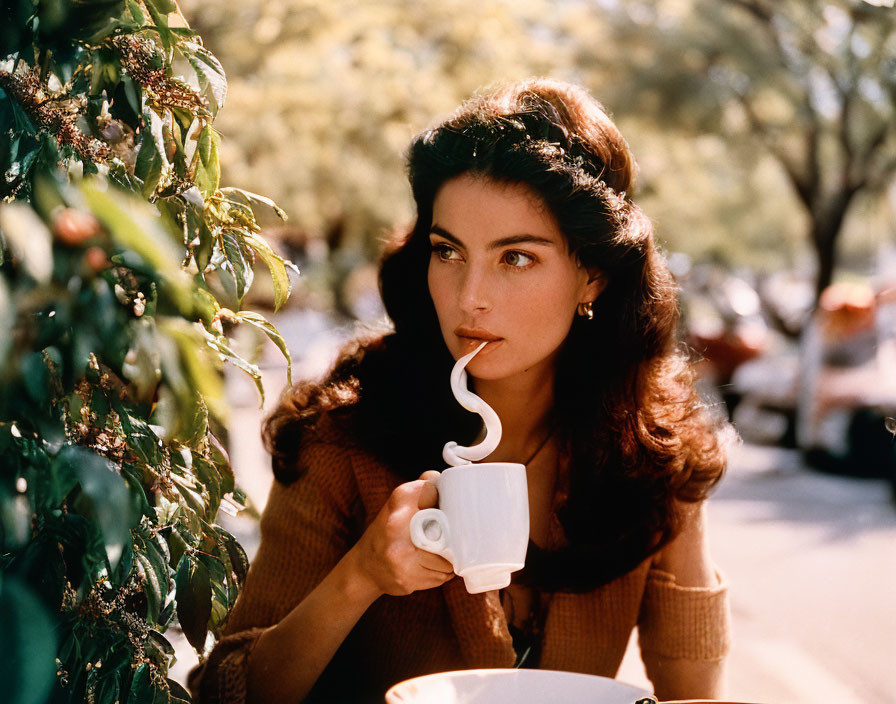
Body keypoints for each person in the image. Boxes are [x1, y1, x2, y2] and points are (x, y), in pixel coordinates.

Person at [189, 78, 731, 704]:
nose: (470, 295)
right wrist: (361, 576)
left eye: (515, 258)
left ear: (593, 277)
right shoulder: (343, 434)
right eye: (448, 251)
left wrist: (674, 485)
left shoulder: (650, 450)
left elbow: (696, 697)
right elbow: (226, 693)